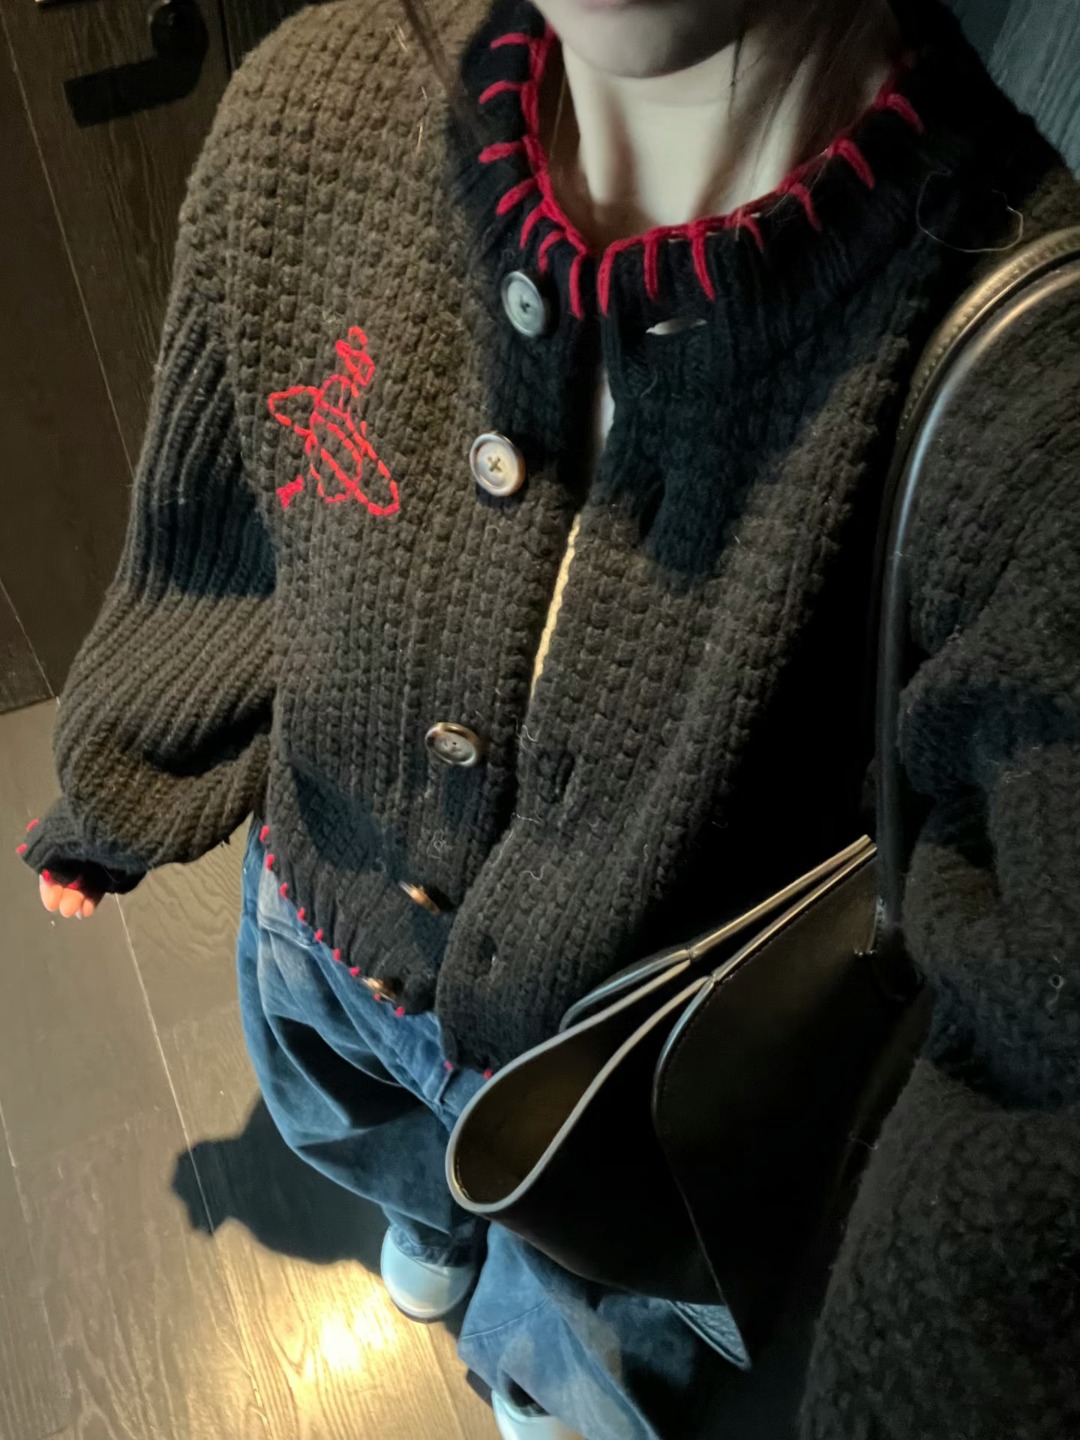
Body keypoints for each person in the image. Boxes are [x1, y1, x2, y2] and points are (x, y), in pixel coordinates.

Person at [22, 0, 1080, 1434]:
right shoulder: (313, 113)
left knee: (578, 1351)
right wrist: (121, 784)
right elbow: (224, 530)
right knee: (354, 1127)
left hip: (620, 1096)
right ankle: (432, 1218)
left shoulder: (1029, 381)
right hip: (323, 936)